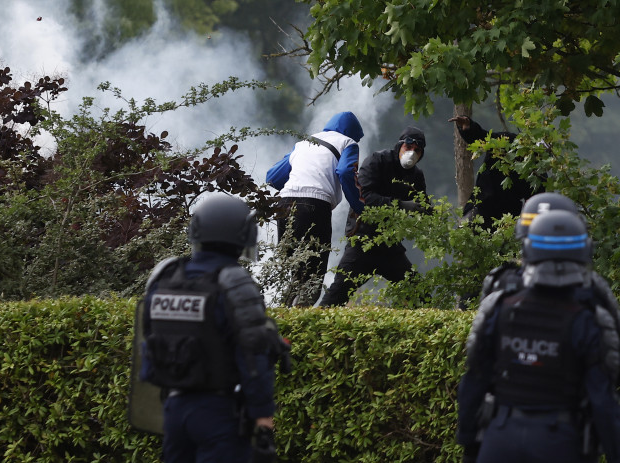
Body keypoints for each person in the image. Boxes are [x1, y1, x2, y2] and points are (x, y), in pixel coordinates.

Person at [457, 209, 620, 463]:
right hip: (560, 442)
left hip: (500, 439)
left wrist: (469, 446)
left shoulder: (499, 306)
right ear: (583, 252)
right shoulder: (589, 317)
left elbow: (473, 381)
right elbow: (604, 402)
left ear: (528, 249)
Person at [139, 193, 290, 463]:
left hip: (172, 412)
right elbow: (254, 356)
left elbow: (148, 343)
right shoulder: (234, 283)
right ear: (243, 233)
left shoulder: (165, 276)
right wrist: (264, 420)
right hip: (219, 414)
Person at [319, 126, 428, 307]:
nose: (412, 153)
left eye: (417, 151)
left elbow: (422, 204)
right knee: (335, 297)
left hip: (390, 246)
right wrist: (400, 205)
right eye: (408, 148)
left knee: (419, 295)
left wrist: (428, 212)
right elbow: (364, 197)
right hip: (363, 241)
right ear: (399, 146)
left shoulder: (416, 175)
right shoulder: (378, 161)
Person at [266, 111, 365, 306]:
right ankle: (301, 326)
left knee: (296, 273)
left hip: (284, 206)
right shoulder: (348, 143)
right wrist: (359, 206)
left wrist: (296, 188)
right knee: (313, 276)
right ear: (353, 133)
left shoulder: (303, 143)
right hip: (313, 206)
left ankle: (282, 320)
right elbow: (345, 171)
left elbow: (273, 176)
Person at [449, 115, 544, 229]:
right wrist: (469, 126)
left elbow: (534, 204)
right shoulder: (507, 141)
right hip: (481, 205)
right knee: (465, 233)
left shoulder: (538, 173)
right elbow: (482, 138)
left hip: (507, 218)